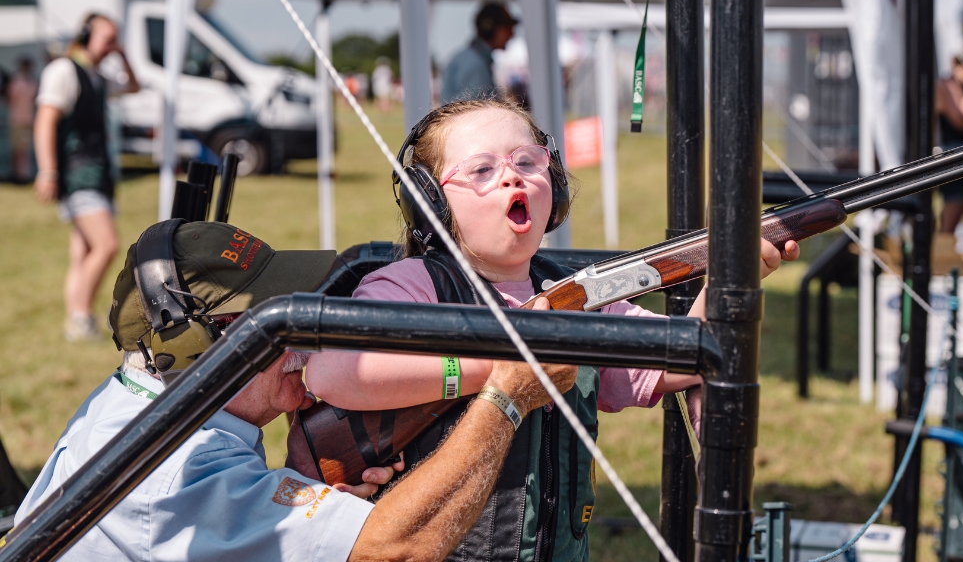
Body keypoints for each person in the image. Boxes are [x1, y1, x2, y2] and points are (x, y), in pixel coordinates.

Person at [303, 98, 800, 561]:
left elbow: (681, 357)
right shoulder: (414, 284)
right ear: (430, 202)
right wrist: (502, 369)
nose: (512, 180)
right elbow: (333, 373)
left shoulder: (575, 298)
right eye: (482, 170)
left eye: (527, 162)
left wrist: (729, 277)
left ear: (555, 181)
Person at [14, 220, 577, 562]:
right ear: (195, 345)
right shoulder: (175, 473)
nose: (302, 331)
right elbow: (397, 551)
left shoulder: (145, 411)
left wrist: (304, 500)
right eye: (271, 321)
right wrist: (506, 397)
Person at [34, 13, 140, 341]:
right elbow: (45, 120)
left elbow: (134, 87)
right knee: (107, 244)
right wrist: (48, 170)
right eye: (108, 38)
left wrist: (122, 56)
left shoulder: (96, 75)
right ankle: (80, 319)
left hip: (97, 172)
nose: (113, 45)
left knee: (82, 251)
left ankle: (78, 318)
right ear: (85, 35)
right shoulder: (63, 70)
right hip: (78, 173)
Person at [441, 2, 518, 103]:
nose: (512, 33)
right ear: (490, 28)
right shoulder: (475, 64)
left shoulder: (470, 58)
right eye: (507, 27)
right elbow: (469, 113)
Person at [6, 58, 37, 183]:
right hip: (27, 120)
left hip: (19, 120)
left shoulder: (18, 83)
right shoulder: (31, 83)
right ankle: (22, 174)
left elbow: (11, 100)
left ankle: (21, 175)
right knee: (23, 150)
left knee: (20, 150)